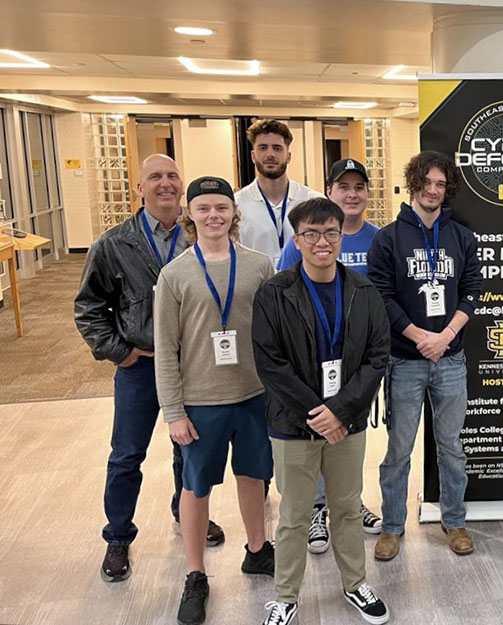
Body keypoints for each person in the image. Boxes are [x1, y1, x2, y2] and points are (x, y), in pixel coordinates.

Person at [74, 154, 224, 584]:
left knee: (189, 450)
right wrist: (118, 351)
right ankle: (118, 536)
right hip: (140, 368)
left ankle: (187, 515)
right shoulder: (114, 244)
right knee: (126, 455)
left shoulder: (201, 237)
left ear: (183, 185)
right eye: (154, 177)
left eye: (173, 176)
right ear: (138, 188)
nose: (165, 183)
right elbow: (88, 308)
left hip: (192, 367)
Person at [253, 197, 391, 625]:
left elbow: (377, 356)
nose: (322, 242)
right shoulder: (274, 293)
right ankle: (286, 595)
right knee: (294, 515)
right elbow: (269, 363)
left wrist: (343, 412)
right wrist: (318, 412)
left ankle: (355, 584)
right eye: (311, 234)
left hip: (346, 424)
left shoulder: (364, 291)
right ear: (297, 240)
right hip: (294, 424)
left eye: (331, 232)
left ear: (341, 236)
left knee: (348, 507)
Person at [154, 176, 276, 625]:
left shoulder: (259, 265)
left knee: (253, 477)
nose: (213, 216)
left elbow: (273, 335)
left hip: (253, 395)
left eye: (221, 208)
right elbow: (166, 349)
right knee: (195, 486)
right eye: (203, 208)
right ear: (191, 215)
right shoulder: (175, 274)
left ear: (233, 213)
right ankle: (195, 574)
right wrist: (174, 413)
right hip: (201, 400)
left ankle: (258, 551)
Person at [368, 150, 482, 561]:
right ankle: (392, 526)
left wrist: (446, 335)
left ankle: (455, 521)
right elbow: (382, 296)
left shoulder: (462, 237)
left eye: (440, 184)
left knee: (451, 445)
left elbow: (473, 290)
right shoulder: (388, 238)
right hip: (405, 360)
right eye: (426, 183)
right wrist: (420, 338)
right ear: (413, 183)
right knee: (399, 449)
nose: (433, 191)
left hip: (450, 359)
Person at [277, 158, 383, 553]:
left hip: (357, 362)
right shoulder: (302, 241)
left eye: (359, 187)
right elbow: (285, 294)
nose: (352, 193)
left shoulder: (378, 239)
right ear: (330, 192)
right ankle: (319, 508)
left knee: (353, 432)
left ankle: (347, 499)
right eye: (344, 187)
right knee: (318, 427)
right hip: (312, 361)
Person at [236, 119, 323, 268]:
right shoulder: (236, 205)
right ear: (253, 156)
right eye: (263, 148)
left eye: (277, 148)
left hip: (303, 288)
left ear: (288, 156)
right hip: (256, 289)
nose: (270, 154)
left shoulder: (313, 202)